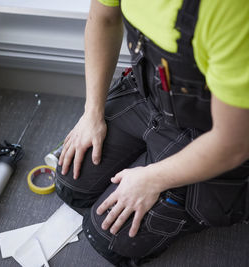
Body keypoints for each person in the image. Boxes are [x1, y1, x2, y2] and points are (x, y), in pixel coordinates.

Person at [54, 0, 249, 265]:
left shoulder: (227, 10)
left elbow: (233, 143)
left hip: (210, 131)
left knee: (110, 238)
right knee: (71, 184)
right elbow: (104, 20)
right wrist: (92, 113)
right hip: (149, 97)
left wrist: (152, 179)